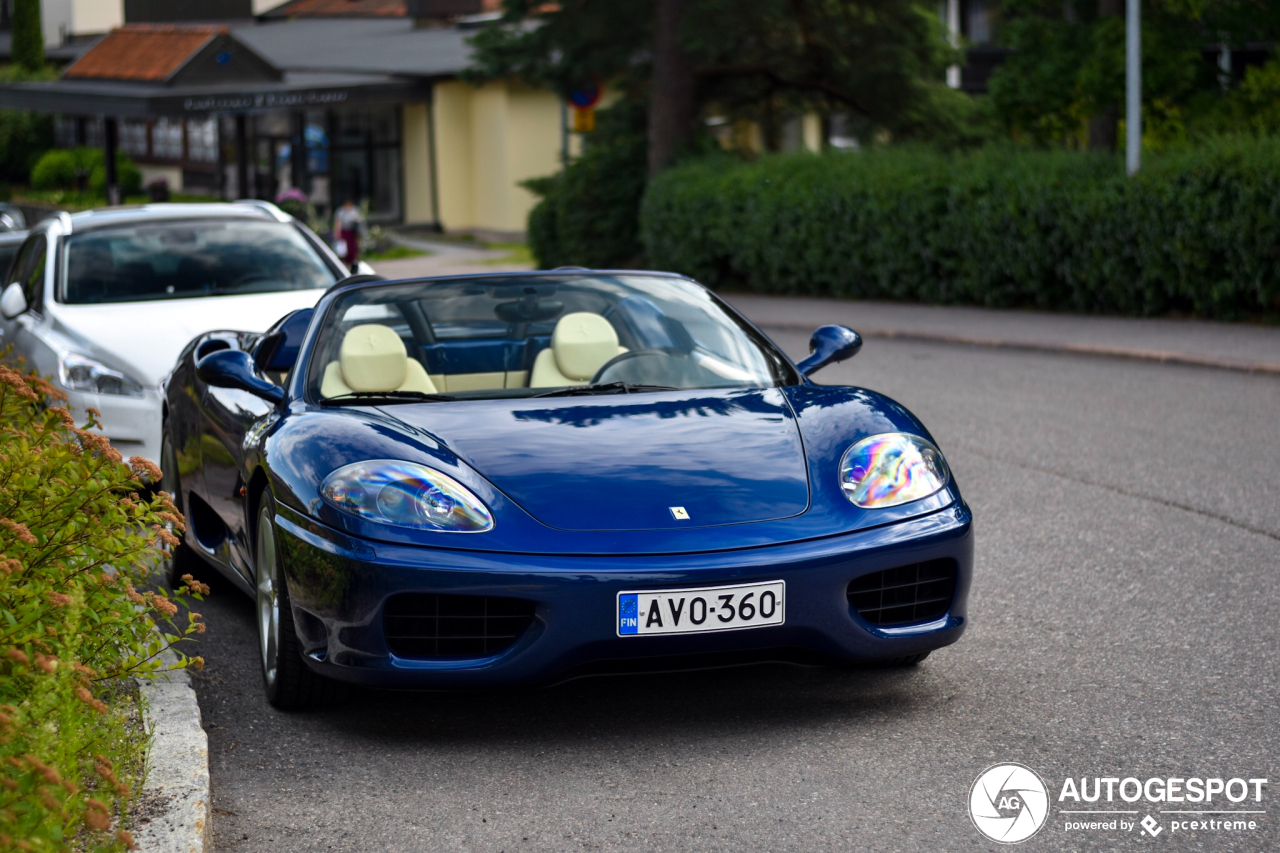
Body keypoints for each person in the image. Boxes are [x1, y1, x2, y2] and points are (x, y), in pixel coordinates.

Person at [333, 198, 363, 273]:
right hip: (344, 232)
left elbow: (359, 221)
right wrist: (337, 233)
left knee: (353, 249)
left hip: (352, 232)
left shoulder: (354, 210)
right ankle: (345, 265)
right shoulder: (341, 211)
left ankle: (353, 265)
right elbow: (338, 222)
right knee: (344, 249)